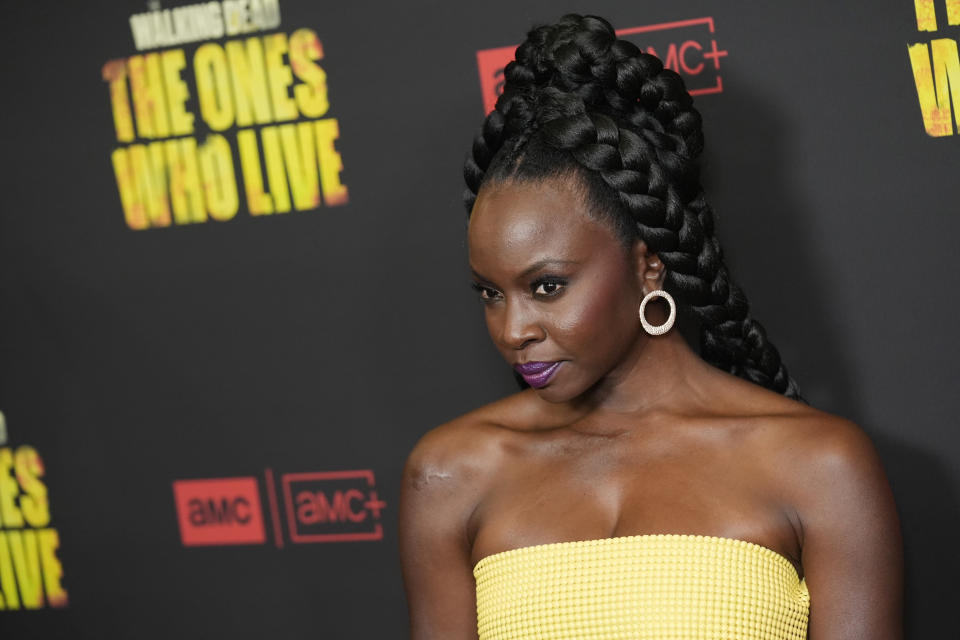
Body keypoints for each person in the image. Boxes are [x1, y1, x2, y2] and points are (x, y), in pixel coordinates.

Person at [399, 13, 903, 640]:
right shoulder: (452, 473)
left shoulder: (820, 466)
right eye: (490, 294)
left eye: (547, 287)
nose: (513, 330)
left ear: (649, 264)